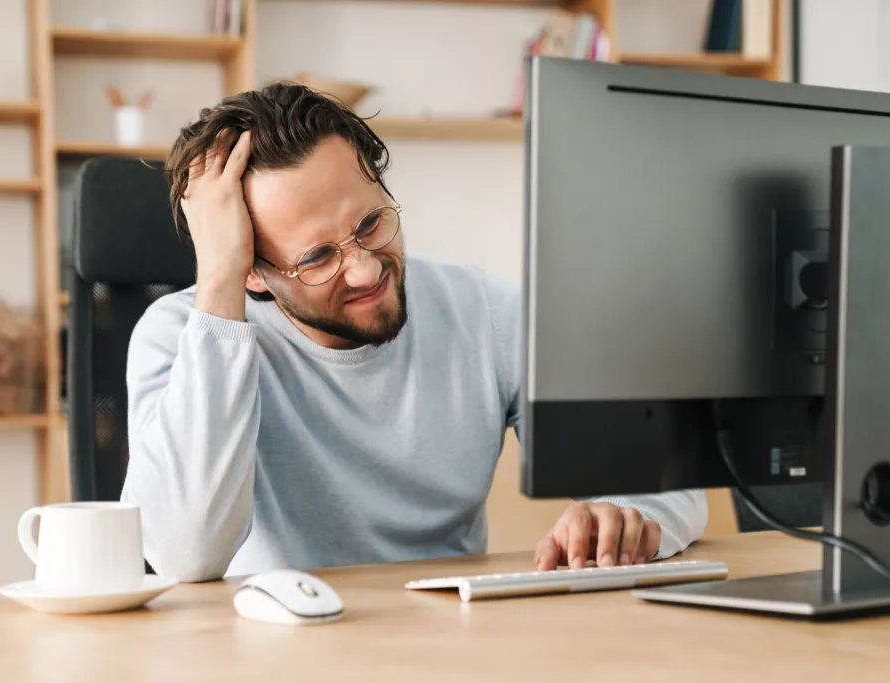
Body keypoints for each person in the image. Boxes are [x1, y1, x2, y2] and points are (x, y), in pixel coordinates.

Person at [122, 82, 707, 582]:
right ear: (253, 269)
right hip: (275, 650)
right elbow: (183, 555)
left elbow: (671, 480)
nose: (366, 268)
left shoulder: (487, 313)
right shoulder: (180, 338)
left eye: (371, 223)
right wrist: (219, 281)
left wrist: (622, 517)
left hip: (449, 642)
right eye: (319, 256)